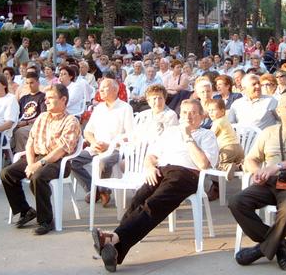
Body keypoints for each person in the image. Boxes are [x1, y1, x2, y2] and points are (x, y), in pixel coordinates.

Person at [91, 99, 218, 272]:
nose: (188, 116)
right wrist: (150, 166)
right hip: (161, 170)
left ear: (201, 117)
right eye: (185, 112)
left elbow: (203, 164)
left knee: (154, 203)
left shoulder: (207, 135)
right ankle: (115, 249)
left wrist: (188, 136)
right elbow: (151, 154)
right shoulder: (171, 131)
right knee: (138, 200)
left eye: (193, 112)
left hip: (186, 174)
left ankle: (113, 239)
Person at [228, 92, 286, 269]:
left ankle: (260, 250)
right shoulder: (268, 132)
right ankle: (278, 245)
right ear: (279, 111)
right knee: (236, 202)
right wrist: (257, 172)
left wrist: (277, 166)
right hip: (269, 182)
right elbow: (250, 159)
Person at [1, 83, 81, 234]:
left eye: (51, 98)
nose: (46, 101)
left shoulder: (71, 121)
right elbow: (30, 143)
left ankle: (46, 220)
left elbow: (61, 150)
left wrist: (38, 165)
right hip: (37, 157)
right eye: (46, 98)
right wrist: (31, 163)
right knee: (7, 173)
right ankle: (25, 210)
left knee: (38, 177)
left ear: (63, 99)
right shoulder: (42, 117)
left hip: (57, 162)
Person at [71, 78, 133, 207]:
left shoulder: (125, 108)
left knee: (103, 163)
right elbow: (87, 132)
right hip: (96, 147)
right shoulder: (99, 108)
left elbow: (130, 135)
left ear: (115, 90)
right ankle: (92, 189)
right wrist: (93, 142)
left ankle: (103, 190)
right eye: (100, 88)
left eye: (105, 88)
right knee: (73, 161)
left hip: (115, 149)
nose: (101, 90)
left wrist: (110, 145)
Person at [206, 98, 243, 201]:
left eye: (213, 110)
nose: (211, 113)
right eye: (209, 110)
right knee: (237, 161)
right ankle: (240, 165)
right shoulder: (226, 120)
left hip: (227, 149)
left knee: (216, 164)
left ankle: (227, 166)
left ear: (222, 111)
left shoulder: (218, 122)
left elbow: (210, 136)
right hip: (238, 149)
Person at [13, 72, 46, 152]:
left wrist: (26, 122)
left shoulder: (43, 97)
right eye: (27, 83)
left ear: (38, 83)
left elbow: (43, 116)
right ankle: (9, 155)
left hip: (35, 124)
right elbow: (17, 114)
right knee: (6, 131)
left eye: (32, 83)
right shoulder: (23, 98)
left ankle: (22, 158)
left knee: (20, 132)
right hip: (21, 123)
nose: (29, 85)